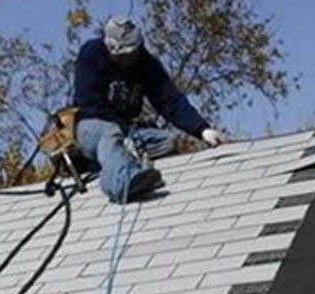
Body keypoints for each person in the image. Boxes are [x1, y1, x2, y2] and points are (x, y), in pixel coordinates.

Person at [73, 16, 227, 202]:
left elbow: (169, 101)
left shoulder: (146, 64)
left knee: (166, 141)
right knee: (110, 132)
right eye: (122, 55)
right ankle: (121, 184)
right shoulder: (91, 55)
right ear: (110, 48)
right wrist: (123, 133)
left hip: (126, 132)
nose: (127, 59)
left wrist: (202, 130)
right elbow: (89, 106)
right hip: (91, 127)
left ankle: (113, 163)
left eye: (131, 53)